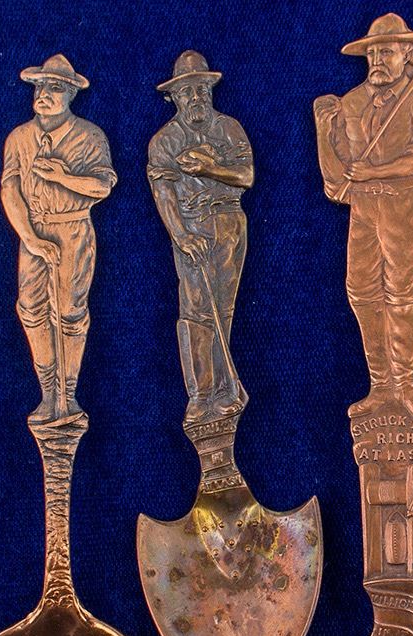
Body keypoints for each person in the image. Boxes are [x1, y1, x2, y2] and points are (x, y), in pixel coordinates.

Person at [313, 13, 413, 420]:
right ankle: (382, 387)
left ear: (407, 53)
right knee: (361, 292)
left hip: (409, 209)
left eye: (386, 52)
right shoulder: (352, 102)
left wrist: (374, 172)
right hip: (365, 210)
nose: (377, 60)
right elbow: (336, 178)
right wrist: (322, 132)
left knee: (403, 296)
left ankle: (409, 389)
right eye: (372, 53)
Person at [2, 54, 116, 423]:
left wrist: (63, 177)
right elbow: (10, 190)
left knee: (69, 312)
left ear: (70, 94)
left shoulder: (90, 136)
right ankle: (48, 393)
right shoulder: (19, 138)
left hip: (73, 230)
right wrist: (31, 239)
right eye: (39, 86)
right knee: (31, 310)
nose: (43, 94)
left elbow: (102, 186)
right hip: (33, 231)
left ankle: (68, 393)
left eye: (54, 87)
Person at [148, 51, 253, 425]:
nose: (195, 98)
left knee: (223, 308)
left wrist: (211, 167)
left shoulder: (229, 128)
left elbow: (246, 177)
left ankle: (226, 390)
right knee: (196, 310)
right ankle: (201, 394)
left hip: (230, 225)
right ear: (174, 97)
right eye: (187, 91)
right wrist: (180, 234)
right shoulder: (164, 140)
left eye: (201, 90)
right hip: (193, 228)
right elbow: (163, 191)